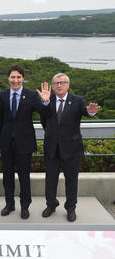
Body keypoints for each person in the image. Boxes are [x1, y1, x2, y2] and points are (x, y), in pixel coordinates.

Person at [41, 73, 100, 222]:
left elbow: (86, 111)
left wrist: (92, 112)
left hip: (72, 148)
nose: (59, 85)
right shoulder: (47, 99)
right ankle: (51, 204)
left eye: (62, 82)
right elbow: (44, 120)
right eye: (56, 83)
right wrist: (46, 103)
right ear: (52, 86)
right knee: (50, 179)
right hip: (52, 146)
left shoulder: (78, 100)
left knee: (71, 180)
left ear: (68, 85)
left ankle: (71, 208)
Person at [0, 65, 52, 219]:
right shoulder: (3, 95)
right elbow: (0, 119)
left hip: (24, 143)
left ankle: (25, 206)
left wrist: (46, 102)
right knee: (7, 176)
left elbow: (44, 113)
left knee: (24, 177)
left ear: (23, 79)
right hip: (6, 142)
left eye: (18, 77)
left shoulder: (32, 95)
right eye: (13, 77)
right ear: (9, 78)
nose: (15, 80)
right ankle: (9, 204)